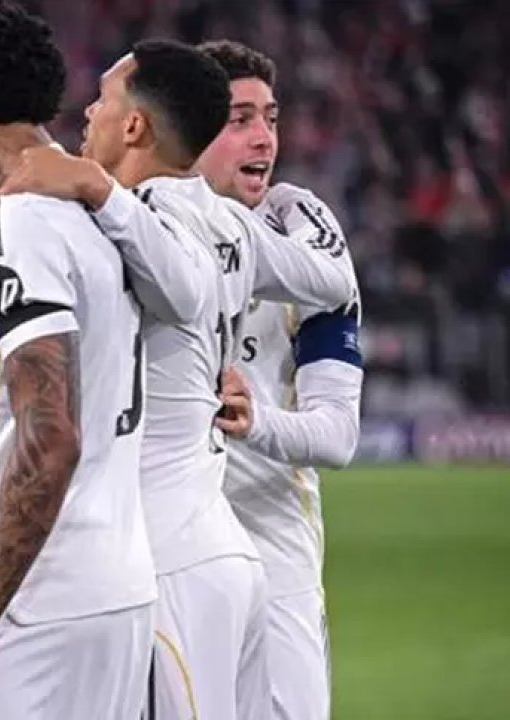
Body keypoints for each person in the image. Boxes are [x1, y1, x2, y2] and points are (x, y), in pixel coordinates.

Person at [0, 39, 358, 720]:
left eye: (102, 101)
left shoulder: (138, 219)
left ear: (138, 124)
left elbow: (188, 285)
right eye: (239, 119)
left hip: (183, 550)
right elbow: (329, 278)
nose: (88, 116)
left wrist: (96, 186)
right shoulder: (227, 226)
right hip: (210, 541)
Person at [0, 2, 158, 718]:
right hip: (118, 590)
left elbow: (50, 439)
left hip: (32, 604)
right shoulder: (98, 214)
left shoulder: (12, 224)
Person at [198, 39, 363, 720]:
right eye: (239, 119)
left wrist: (257, 420)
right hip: (168, 545)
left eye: (270, 118)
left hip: (274, 546)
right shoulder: (135, 229)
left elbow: (338, 436)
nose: (264, 137)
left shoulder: (307, 239)